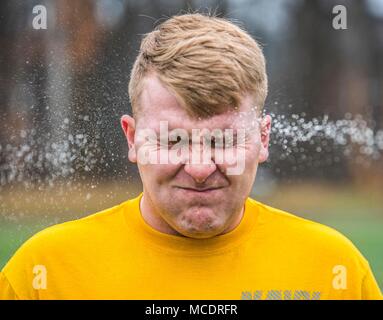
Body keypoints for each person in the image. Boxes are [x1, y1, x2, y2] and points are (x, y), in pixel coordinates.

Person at [0, 13, 381, 300]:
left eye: (223, 141)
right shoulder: (45, 272)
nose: (200, 168)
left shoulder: (334, 270)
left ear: (262, 138)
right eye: (173, 139)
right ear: (132, 138)